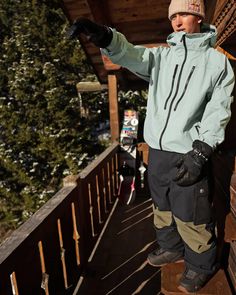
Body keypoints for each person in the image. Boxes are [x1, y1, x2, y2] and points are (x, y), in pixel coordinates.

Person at [67, 0, 235, 292]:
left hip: (188, 151)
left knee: (191, 212)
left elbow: (218, 111)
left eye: (184, 14)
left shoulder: (216, 62)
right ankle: (171, 247)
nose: (177, 22)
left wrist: (201, 150)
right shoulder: (162, 58)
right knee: (163, 205)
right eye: (173, 16)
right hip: (157, 150)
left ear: (198, 16)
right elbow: (129, 54)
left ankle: (200, 265)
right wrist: (104, 36)